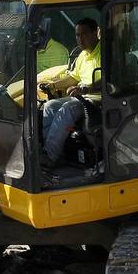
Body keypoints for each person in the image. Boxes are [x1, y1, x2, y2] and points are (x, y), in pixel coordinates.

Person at [40, 17, 101, 166]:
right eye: (77, 35)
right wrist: (53, 85)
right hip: (83, 96)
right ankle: (54, 151)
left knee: (67, 109)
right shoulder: (83, 55)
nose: (80, 39)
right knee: (50, 106)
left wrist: (84, 89)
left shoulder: (104, 52)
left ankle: (50, 156)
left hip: (99, 97)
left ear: (95, 33)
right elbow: (74, 76)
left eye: (84, 34)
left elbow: (108, 80)